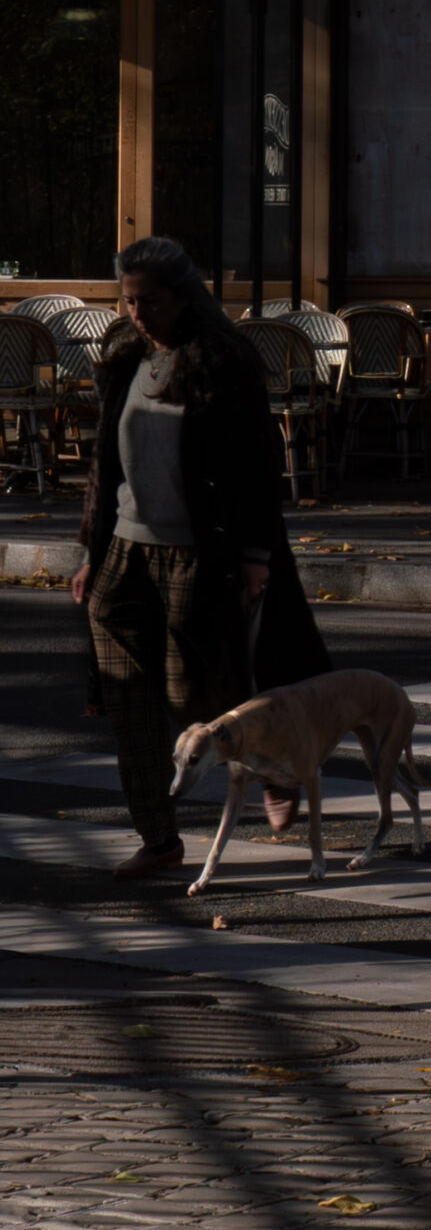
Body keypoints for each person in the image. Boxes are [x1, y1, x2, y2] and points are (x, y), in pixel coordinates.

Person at [69, 237, 333, 879]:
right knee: (128, 703)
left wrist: (253, 554)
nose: (136, 314)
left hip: (197, 552)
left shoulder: (222, 359)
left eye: (149, 301)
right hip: (124, 552)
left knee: (199, 696)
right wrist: (88, 550)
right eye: (128, 301)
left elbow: (254, 465)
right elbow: (106, 461)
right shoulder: (124, 354)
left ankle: (271, 764)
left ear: (184, 298)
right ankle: (159, 840)